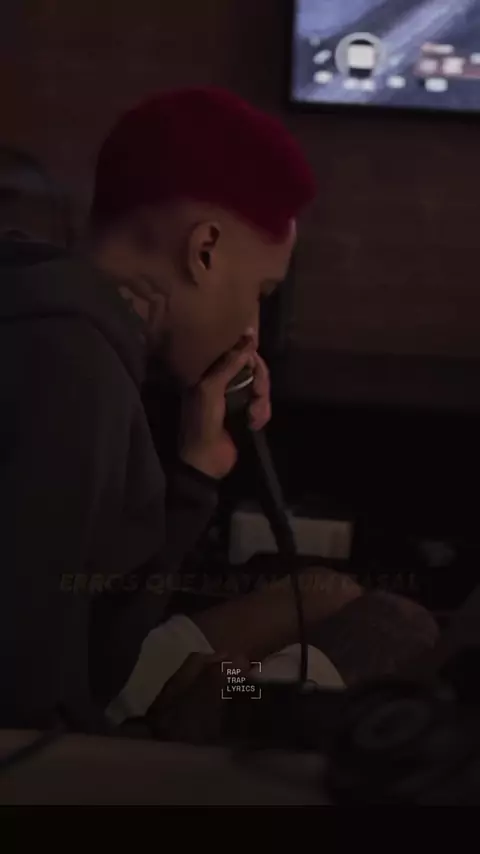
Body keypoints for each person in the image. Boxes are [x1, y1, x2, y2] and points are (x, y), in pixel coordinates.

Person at [0, 88, 437, 738]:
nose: (252, 330)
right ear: (204, 249)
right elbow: (29, 706)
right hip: (93, 732)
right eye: (261, 292)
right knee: (396, 631)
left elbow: (98, 611)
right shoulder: (73, 371)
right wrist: (166, 736)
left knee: (327, 592)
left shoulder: (54, 312)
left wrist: (195, 471)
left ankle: (246, 690)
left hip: (113, 665)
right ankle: (259, 700)